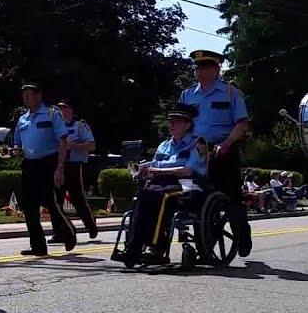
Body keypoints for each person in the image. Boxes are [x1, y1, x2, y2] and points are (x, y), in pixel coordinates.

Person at [114, 102, 208, 267]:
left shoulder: (198, 143)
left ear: (187, 124)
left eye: (176, 122)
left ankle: (157, 248)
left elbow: (188, 170)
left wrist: (158, 171)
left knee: (161, 197)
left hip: (186, 184)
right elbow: (153, 165)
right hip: (160, 182)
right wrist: (141, 170)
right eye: (170, 121)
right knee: (142, 196)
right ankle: (133, 248)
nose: (171, 125)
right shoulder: (164, 145)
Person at [179, 50, 252, 257]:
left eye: (204, 67)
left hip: (223, 149)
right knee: (197, 196)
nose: (199, 71)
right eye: (197, 67)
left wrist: (227, 143)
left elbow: (242, 123)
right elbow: (181, 124)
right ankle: (204, 244)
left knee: (231, 196)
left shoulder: (229, 92)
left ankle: (242, 236)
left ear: (216, 69)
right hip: (197, 151)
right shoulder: (187, 95)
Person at [11, 83, 77, 256]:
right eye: (23, 95)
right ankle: (38, 246)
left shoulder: (51, 113)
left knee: (51, 202)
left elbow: (62, 141)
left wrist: (60, 167)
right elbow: (17, 143)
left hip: (49, 162)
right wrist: (14, 150)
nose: (25, 98)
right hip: (29, 164)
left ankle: (68, 230)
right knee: (29, 205)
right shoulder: (22, 119)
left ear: (38, 95)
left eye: (29, 94)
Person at [53, 100, 98, 240]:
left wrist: (72, 146)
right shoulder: (54, 126)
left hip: (73, 165)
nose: (61, 111)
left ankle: (91, 225)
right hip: (57, 165)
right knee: (56, 200)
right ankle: (59, 232)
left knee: (77, 198)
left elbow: (91, 145)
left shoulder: (79, 125)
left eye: (64, 108)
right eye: (59, 109)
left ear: (71, 110)